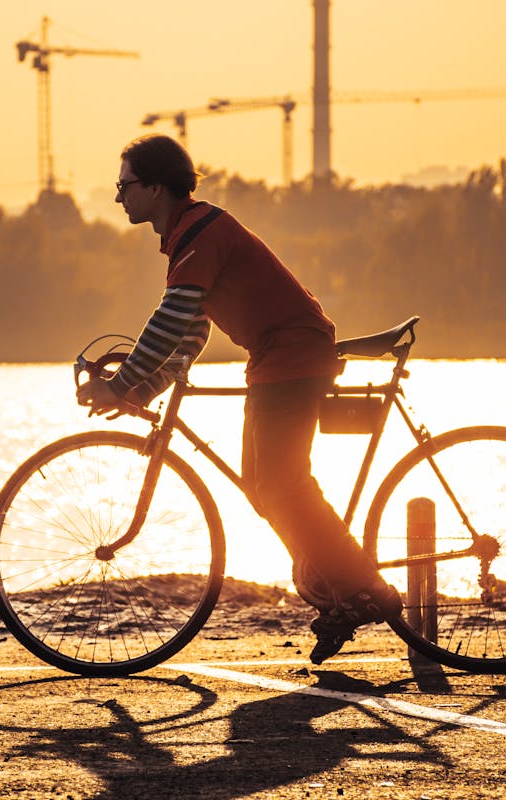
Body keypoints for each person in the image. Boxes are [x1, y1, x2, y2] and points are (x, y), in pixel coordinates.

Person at [76, 133, 401, 664]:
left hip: (292, 357)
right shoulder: (187, 236)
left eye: (124, 185)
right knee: (263, 488)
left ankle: (368, 588)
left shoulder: (203, 231)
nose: (118, 197)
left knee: (282, 483)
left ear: (155, 187)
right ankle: (340, 591)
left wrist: (120, 382)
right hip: (275, 359)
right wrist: (141, 390)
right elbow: (191, 336)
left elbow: (173, 317)